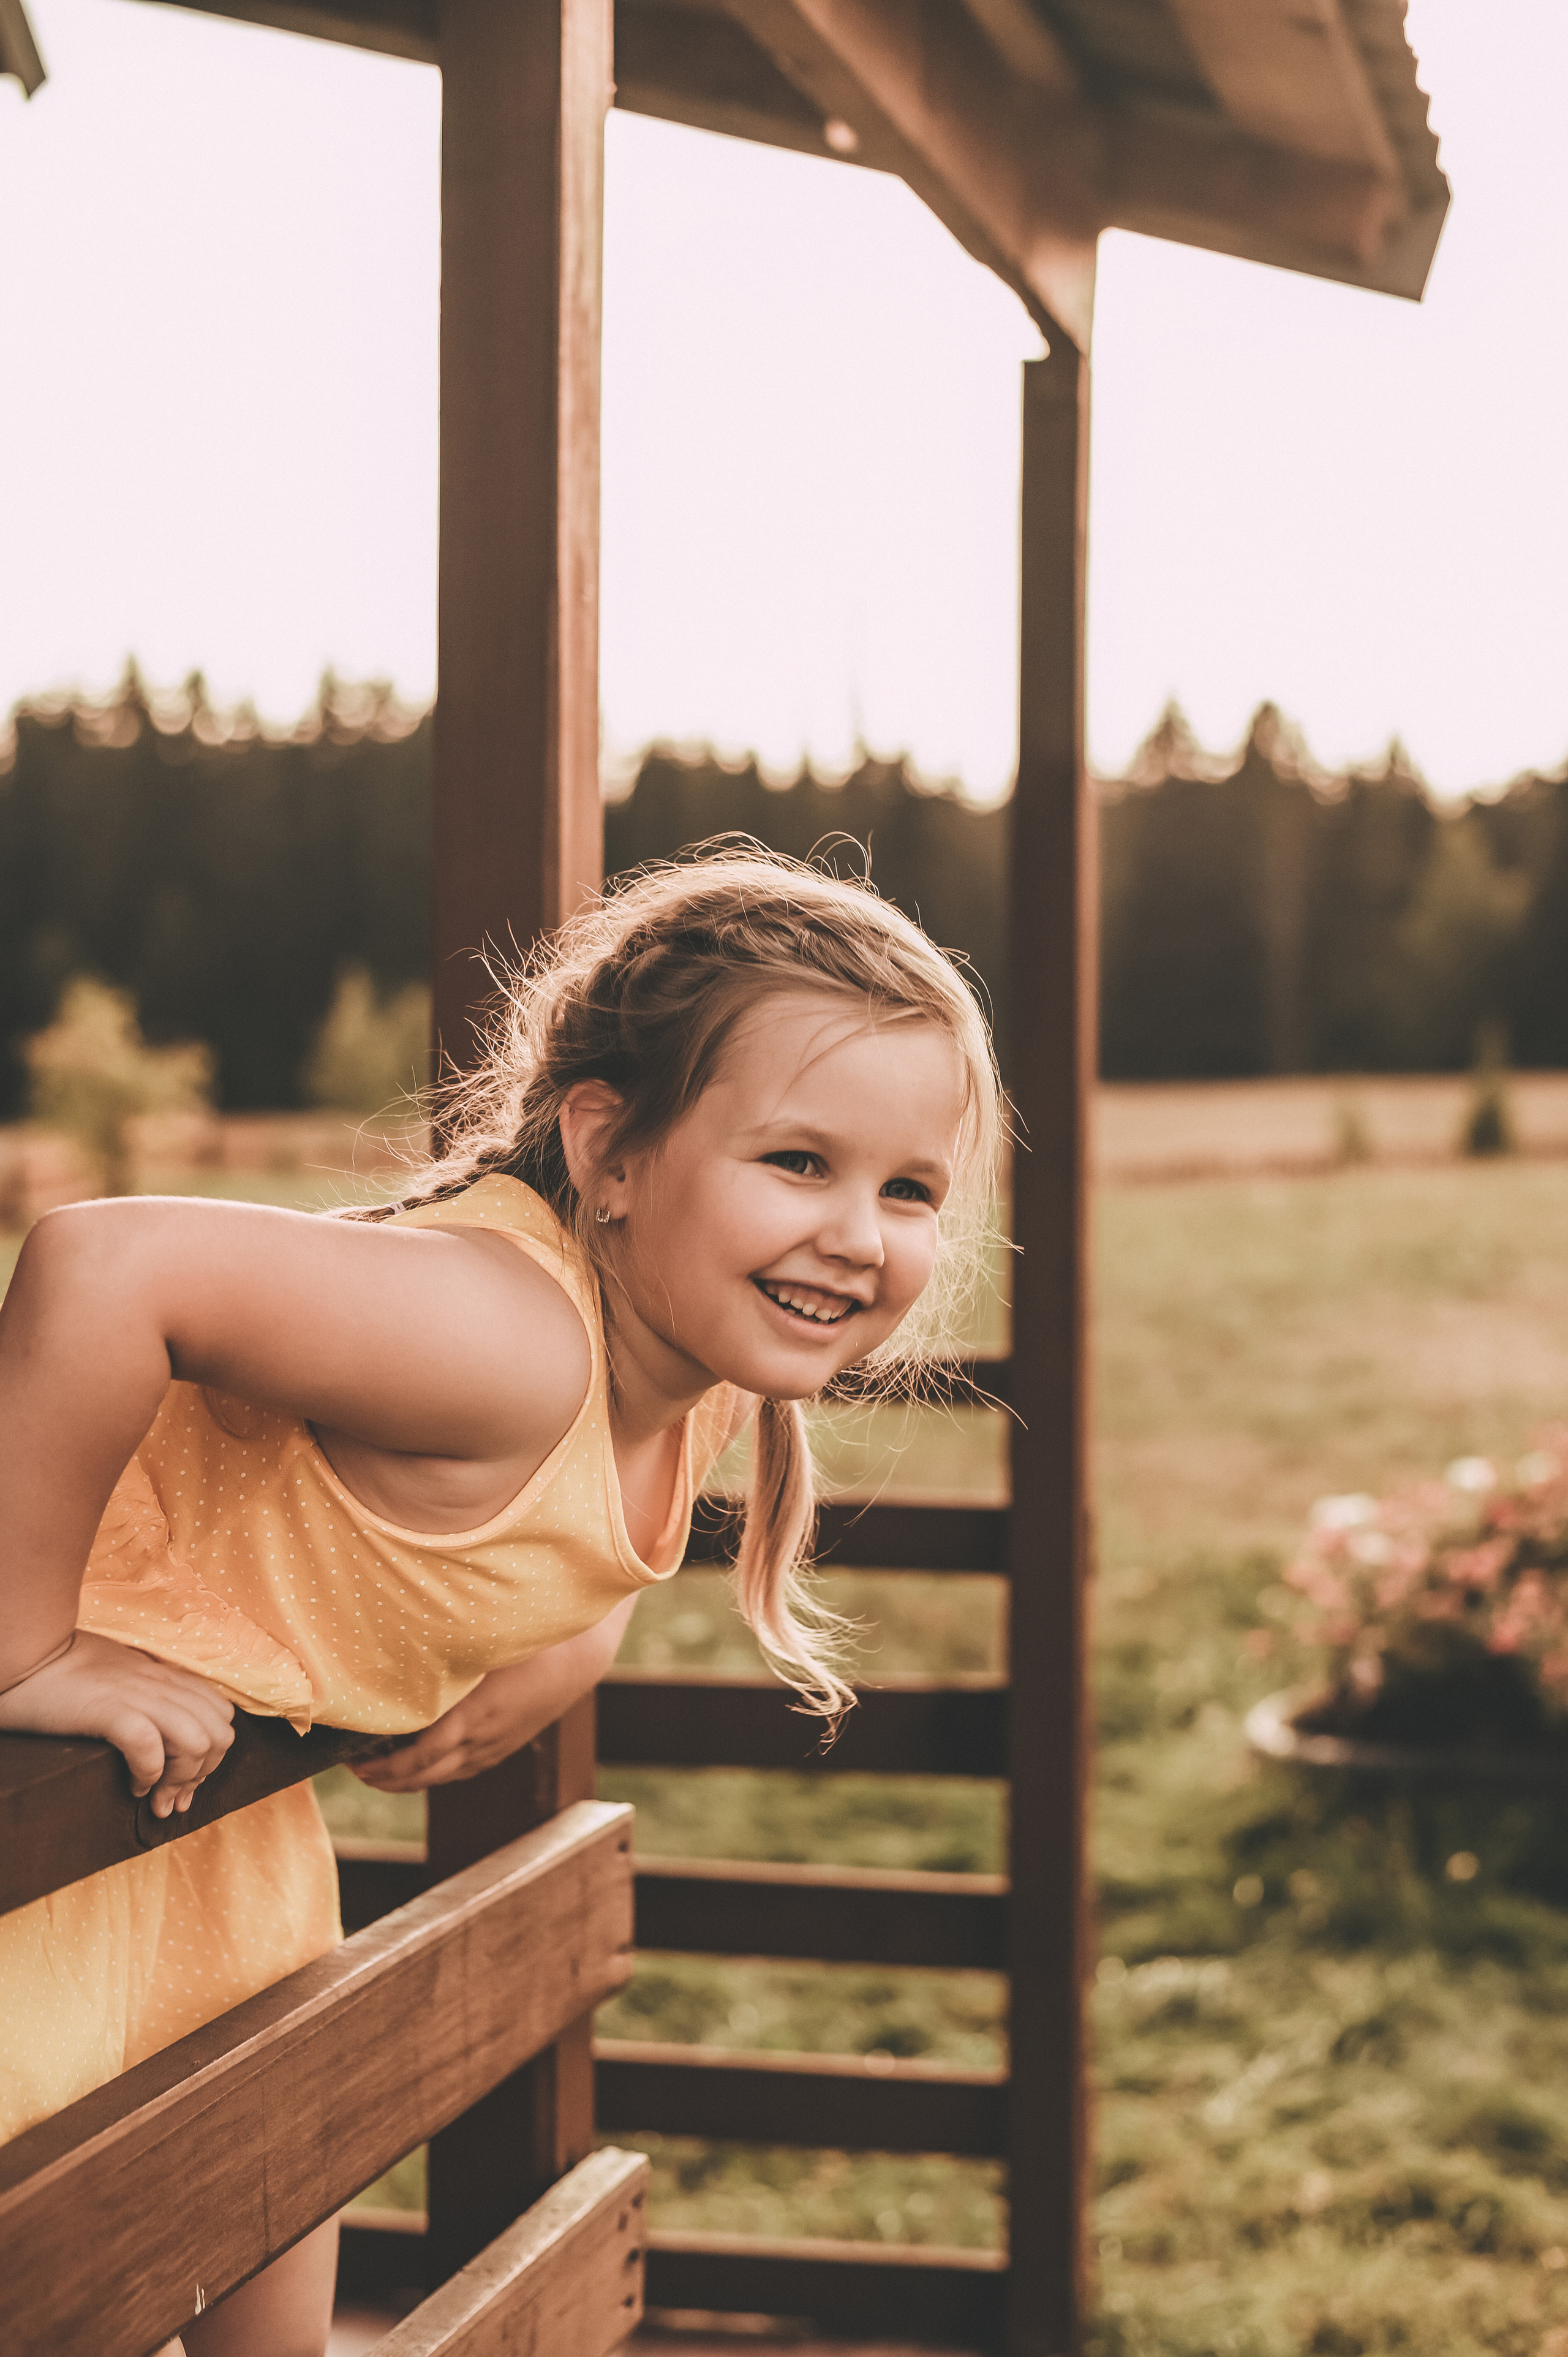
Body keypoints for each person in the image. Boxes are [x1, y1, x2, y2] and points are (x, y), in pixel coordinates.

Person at [0, 846, 1001, 2356]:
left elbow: (583, 1536)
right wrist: (22, 1648)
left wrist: (545, 1656)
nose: (860, 1233)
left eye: (907, 1187)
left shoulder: (696, 1382)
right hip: (50, 1805)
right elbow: (102, 1263)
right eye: (798, 1162)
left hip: (201, 1824)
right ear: (606, 1152)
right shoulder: (502, 1334)